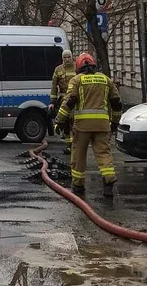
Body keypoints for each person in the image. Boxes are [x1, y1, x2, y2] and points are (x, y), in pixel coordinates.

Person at [57, 53, 123, 197]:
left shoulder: (76, 80)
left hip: (82, 127)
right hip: (102, 125)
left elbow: (69, 102)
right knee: (104, 154)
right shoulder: (106, 80)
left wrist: (59, 120)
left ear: (79, 66)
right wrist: (115, 123)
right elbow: (117, 103)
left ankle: (79, 186)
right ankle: (109, 182)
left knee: (78, 156)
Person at [49, 50, 78, 152]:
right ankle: (68, 145)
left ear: (72, 57)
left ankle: (74, 145)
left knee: (74, 122)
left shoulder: (77, 68)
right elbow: (54, 86)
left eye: (68, 57)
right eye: (64, 57)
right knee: (65, 122)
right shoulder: (58, 69)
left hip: (75, 99)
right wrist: (52, 102)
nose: (66, 59)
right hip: (63, 98)